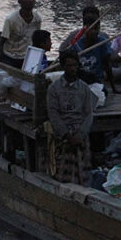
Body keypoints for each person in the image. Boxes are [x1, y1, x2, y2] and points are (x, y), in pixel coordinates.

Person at [46, 50, 97, 185]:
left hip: (80, 132)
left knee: (83, 173)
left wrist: (80, 135)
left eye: (75, 65)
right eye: (69, 66)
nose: (73, 69)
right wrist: (67, 135)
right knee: (64, 173)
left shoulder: (84, 88)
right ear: (63, 67)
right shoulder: (54, 89)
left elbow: (89, 113)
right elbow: (54, 114)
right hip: (64, 134)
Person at [68, 7, 119, 93]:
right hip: (80, 81)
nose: (95, 32)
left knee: (99, 94)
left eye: (97, 29)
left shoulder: (102, 42)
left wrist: (114, 89)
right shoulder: (76, 44)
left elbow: (107, 66)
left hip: (96, 81)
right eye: (92, 29)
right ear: (85, 29)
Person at [0, 0, 42, 69]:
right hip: (10, 56)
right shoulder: (11, 20)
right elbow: (2, 41)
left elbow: (37, 39)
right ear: (19, 1)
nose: (30, 1)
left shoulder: (37, 19)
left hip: (27, 56)